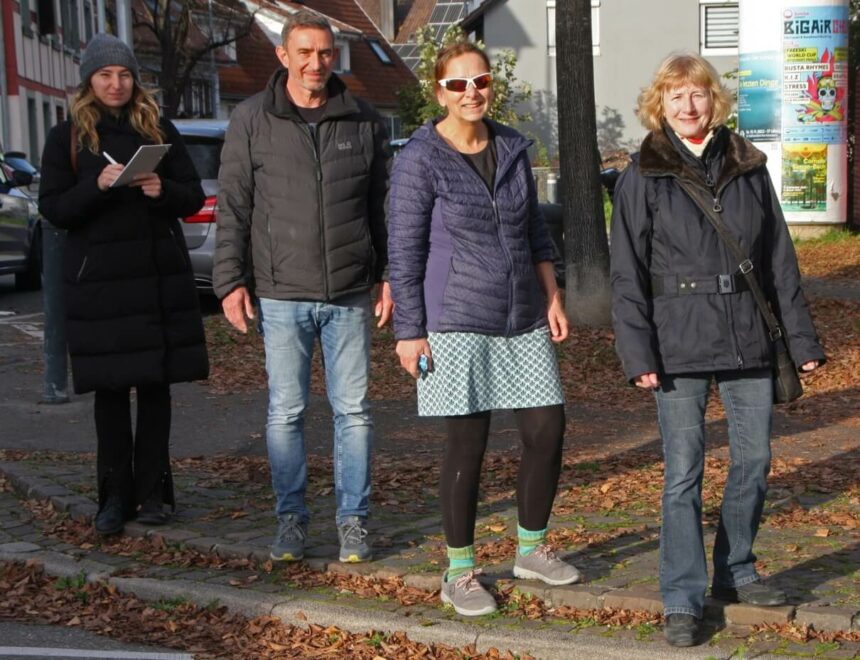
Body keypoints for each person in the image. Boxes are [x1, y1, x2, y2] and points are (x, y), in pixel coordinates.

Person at [610, 53, 826, 647]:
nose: (688, 105)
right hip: (675, 343)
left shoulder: (748, 167)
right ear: (661, 104)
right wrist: (638, 354)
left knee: (754, 461)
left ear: (715, 101)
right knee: (683, 472)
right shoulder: (642, 173)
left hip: (748, 337)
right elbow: (626, 272)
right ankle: (682, 596)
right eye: (676, 96)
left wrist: (801, 339)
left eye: (698, 94)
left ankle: (736, 570)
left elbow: (780, 259)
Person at [388, 41, 580, 618]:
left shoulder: (514, 148)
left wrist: (552, 295)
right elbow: (404, 247)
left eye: (481, 81)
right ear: (438, 91)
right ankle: (460, 571)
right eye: (457, 84)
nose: (471, 92)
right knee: (466, 444)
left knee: (548, 429)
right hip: (454, 318)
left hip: (521, 312)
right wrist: (409, 330)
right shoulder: (420, 157)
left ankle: (530, 549)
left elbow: (536, 234)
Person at [213, 10, 392, 565]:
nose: (317, 64)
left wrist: (388, 276)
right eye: (306, 53)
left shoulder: (363, 119)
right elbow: (235, 206)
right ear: (284, 56)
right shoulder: (251, 119)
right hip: (281, 291)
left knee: (354, 412)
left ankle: (353, 521)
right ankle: (291, 519)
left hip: (349, 292)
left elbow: (381, 208)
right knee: (285, 412)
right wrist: (229, 281)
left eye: (326, 54)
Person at [38, 33, 208, 536]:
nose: (116, 83)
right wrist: (97, 185)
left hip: (156, 280)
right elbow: (54, 207)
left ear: (135, 80)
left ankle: (155, 493)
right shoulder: (67, 136)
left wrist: (161, 189)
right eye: (106, 74)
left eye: (125, 74)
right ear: (89, 80)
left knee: (156, 389)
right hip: (100, 288)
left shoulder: (157, 127)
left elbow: (192, 195)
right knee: (110, 393)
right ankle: (113, 496)